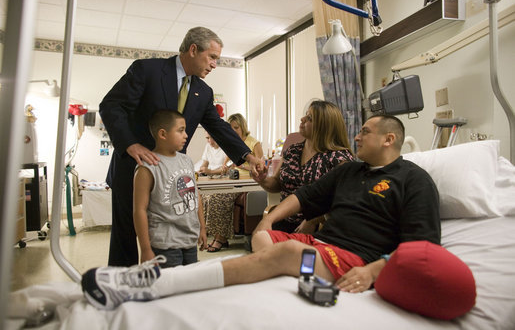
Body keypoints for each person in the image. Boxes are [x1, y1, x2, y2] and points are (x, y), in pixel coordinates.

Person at [81, 115, 441, 311]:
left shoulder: (413, 180)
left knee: (284, 252)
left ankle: (155, 285)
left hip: (353, 258)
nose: (357, 137)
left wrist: (374, 269)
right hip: (319, 247)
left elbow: (423, 246)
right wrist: (267, 220)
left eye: (365, 132)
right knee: (267, 238)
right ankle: (283, 271)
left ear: (389, 139)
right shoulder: (350, 171)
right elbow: (306, 196)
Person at [99, 27, 265, 266]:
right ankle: (121, 290)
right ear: (193, 49)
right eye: (212, 57)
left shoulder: (203, 92)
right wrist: (130, 144)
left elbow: (218, 127)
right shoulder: (147, 71)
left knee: (169, 236)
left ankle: (165, 288)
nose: (215, 64)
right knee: (126, 237)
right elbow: (111, 105)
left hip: (172, 178)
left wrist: (249, 157)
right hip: (135, 168)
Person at [257, 100, 354, 233]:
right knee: (259, 243)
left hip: (319, 226)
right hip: (285, 221)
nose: (302, 119)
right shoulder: (293, 150)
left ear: (324, 126)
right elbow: (277, 184)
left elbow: (342, 200)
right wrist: (262, 179)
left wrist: (314, 220)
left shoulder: (339, 158)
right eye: (305, 115)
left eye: (309, 118)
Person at [133, 110, 207, 268]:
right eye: (180, 130)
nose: (186, 135)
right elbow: (139, 210)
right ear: (163, 134)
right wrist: (145, 249)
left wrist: (202, 227)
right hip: (165, 244)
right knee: (172, 288)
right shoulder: (148, 167)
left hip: (189, 241)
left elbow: (195, 194)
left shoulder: (186, 161)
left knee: (189, 286)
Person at [205, 113, 263, 252]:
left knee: (220, 198)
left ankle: (221, 238)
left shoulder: (254, 143)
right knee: (211, 196)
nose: (233, 131)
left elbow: (261, 166)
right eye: (231, 129)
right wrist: (224, 168)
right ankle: (218, 236)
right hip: (233, 181)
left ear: (242, 127)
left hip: (247, 183)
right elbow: (227, 165)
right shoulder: (231, 144)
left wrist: (243, 166)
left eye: (236, 128)